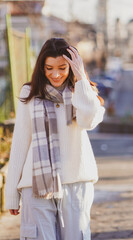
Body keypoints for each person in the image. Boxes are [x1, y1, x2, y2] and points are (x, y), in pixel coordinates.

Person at [5, 38, 105, 240]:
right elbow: (20, 144)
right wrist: (12, 194)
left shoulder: (83, 92)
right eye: (49, 68)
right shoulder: (30, 93)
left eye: (62, 67)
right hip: (36, 186)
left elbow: (89, 121)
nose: (56, 74)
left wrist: (81, 79)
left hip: (75, 183)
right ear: (42, 67)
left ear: (73, 66)